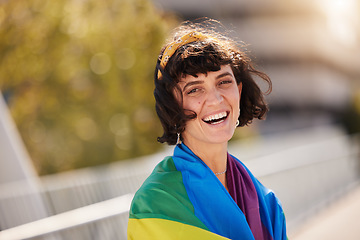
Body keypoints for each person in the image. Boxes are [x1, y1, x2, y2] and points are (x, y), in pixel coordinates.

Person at [127, 19, 287, 240]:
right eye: (194, 90)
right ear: (172, 106)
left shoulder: (267, 204)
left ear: (238, 92)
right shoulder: (155, 203)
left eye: (223, 82)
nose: (215, 99)